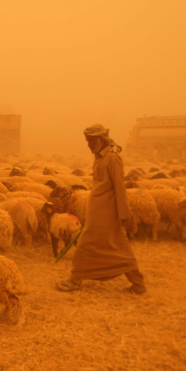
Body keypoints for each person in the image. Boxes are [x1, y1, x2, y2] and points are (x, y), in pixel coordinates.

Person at [55, 124, 146, 295]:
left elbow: (120, 188)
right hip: (97, 213)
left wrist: (125, 215)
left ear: (100, 139)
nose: (88, 144)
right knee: (117, 248)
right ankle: (138, 284)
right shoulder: (100, 157)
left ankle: (75, 280)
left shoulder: (112, 158)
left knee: (86, 246)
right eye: (87, 141)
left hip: (108, 214)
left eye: (90, 141)